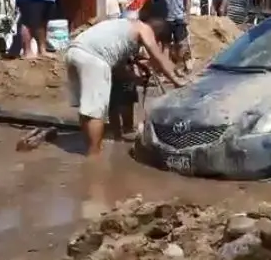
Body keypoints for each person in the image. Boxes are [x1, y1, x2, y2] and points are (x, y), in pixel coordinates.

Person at [65, 8, 186, 157]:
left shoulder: (125, 25)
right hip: (93, 59)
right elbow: (159, 58)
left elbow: (117, 66)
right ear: (157, 34)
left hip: (74, 52)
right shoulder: (145, 29)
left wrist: (135, 77)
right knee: (95, 111)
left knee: (87, 108)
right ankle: (94, 156)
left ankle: (90, 147)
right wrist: (177, 81)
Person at [153, 0, 192, 75]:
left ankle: (180, 65)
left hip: (178, 17)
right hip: (165, 19)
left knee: (181, 44)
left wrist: (187, 14)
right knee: (165, 45)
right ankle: (166, 70)